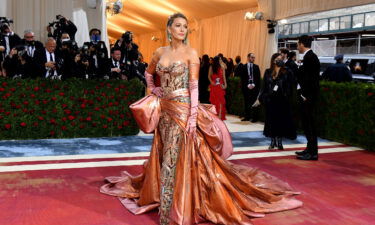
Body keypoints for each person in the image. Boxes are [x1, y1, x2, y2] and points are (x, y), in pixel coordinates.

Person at [100, 12, 302, 225]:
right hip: (165, 110)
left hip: (184, 109)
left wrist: (192, 117)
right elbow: (148, 74)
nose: (182, 30)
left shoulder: (191, 54)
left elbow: (194, 87)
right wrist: (154, 89)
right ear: (169, 28)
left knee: (177, 156)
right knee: (164, 151)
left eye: (185, 27)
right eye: (178, 26)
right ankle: (163, 194)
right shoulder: (159, 52)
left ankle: (176, 206)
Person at [253, 53, 296, 150]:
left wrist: (286, 68)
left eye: (281, 59)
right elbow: (263, 87)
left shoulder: (286, 71)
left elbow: (290, 85)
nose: (279, 60)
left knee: (280, 121)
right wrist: (259, 98)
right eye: (277, 59)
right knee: (271, 121)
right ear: (273, 60)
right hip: (270, 100)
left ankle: (280, 141)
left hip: (282, 101)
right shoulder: (268, 72)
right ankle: (273, 141)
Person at [295, 35, 320, 161]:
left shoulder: (311, 58)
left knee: (310, 125)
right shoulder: (309, 57)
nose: (297, 47)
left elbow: (311, 80)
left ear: (302, 44)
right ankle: (309, 149)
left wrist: (305, 95)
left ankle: (313, 153)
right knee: (306, 124)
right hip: (306, 96)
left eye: (298, 44)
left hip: (308, 97)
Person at [240, 53, 261, 122]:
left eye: (254, 57)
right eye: (252, 57)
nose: (253, 59)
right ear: (248, 57)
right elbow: (242, 78)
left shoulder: (256, 67)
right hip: (246, 87)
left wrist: (254, 84)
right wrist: (247, 85)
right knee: (246, 102)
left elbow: (258, 78)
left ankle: (255, 118)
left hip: (255, 88)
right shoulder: (243, 67)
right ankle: (247, 116)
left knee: (254, 102)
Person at [209, 56, 227, 120]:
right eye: (219, 59)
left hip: (220, 86)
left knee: (220, 101)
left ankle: (219, 116)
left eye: (221, 59)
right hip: (214, 86)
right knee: (214, 101)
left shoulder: (222, 67)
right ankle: (214, 115)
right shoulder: (212, 67)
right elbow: (209, 76)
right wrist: (211, 82)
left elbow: (224, 77)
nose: (220, 60)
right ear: (216, 60)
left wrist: (225, 84)